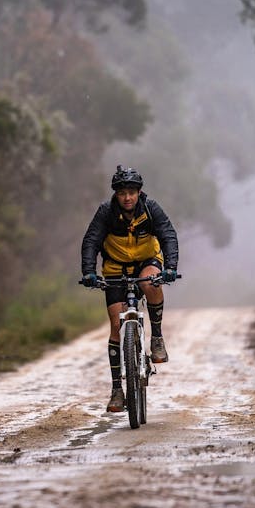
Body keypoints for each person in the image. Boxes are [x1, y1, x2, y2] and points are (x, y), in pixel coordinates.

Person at [81, 165, 179, 413]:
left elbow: (168, 235)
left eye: (132, 192)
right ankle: (117, 390)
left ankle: (156, 337)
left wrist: (170, 267)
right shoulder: (106, 212)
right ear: (115, 193)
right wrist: (89, 272)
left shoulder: (150, 209)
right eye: (122, 192)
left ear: (139, 192)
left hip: (147, 263)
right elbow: (91, 241)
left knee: (150, 281)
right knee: (116, 326)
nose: (127, 197)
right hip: (116, 269)